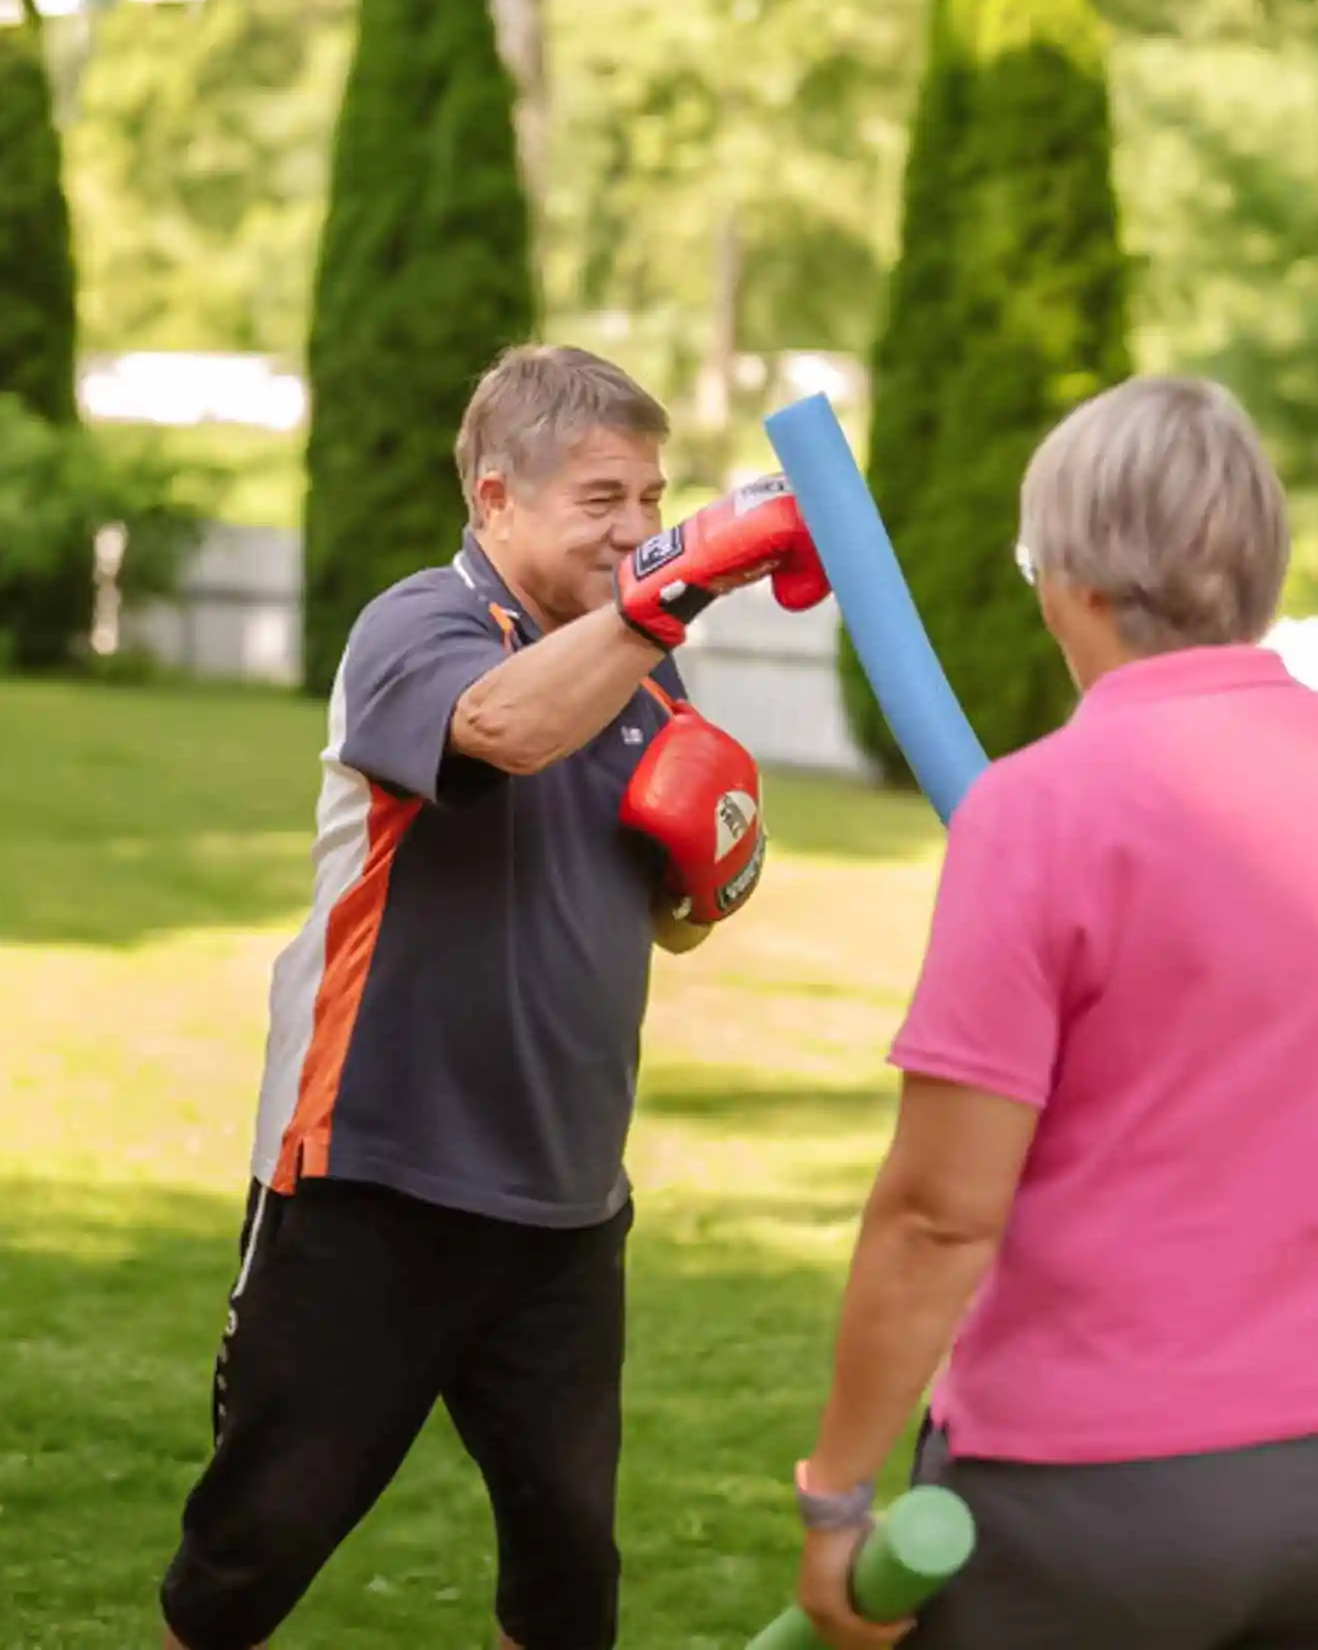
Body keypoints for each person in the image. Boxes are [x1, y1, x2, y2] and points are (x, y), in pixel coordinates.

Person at [788, 375, 1318, 1650]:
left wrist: (839, 1490)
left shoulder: (1035, 808)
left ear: (1073, 580)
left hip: (1104, 1498)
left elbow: (938, 1212)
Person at [159, 343, 828, 1650]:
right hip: (375, 1179)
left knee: (569, 1578)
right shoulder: (419, 624)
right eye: (603, 504)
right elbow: (506, 731)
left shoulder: (646, 670)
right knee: (255, 1549)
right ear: (495, 500)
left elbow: (668, 924)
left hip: (565, 1204)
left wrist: (720, 867)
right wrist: (666, 595)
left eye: (654, 500)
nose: (636, 530)